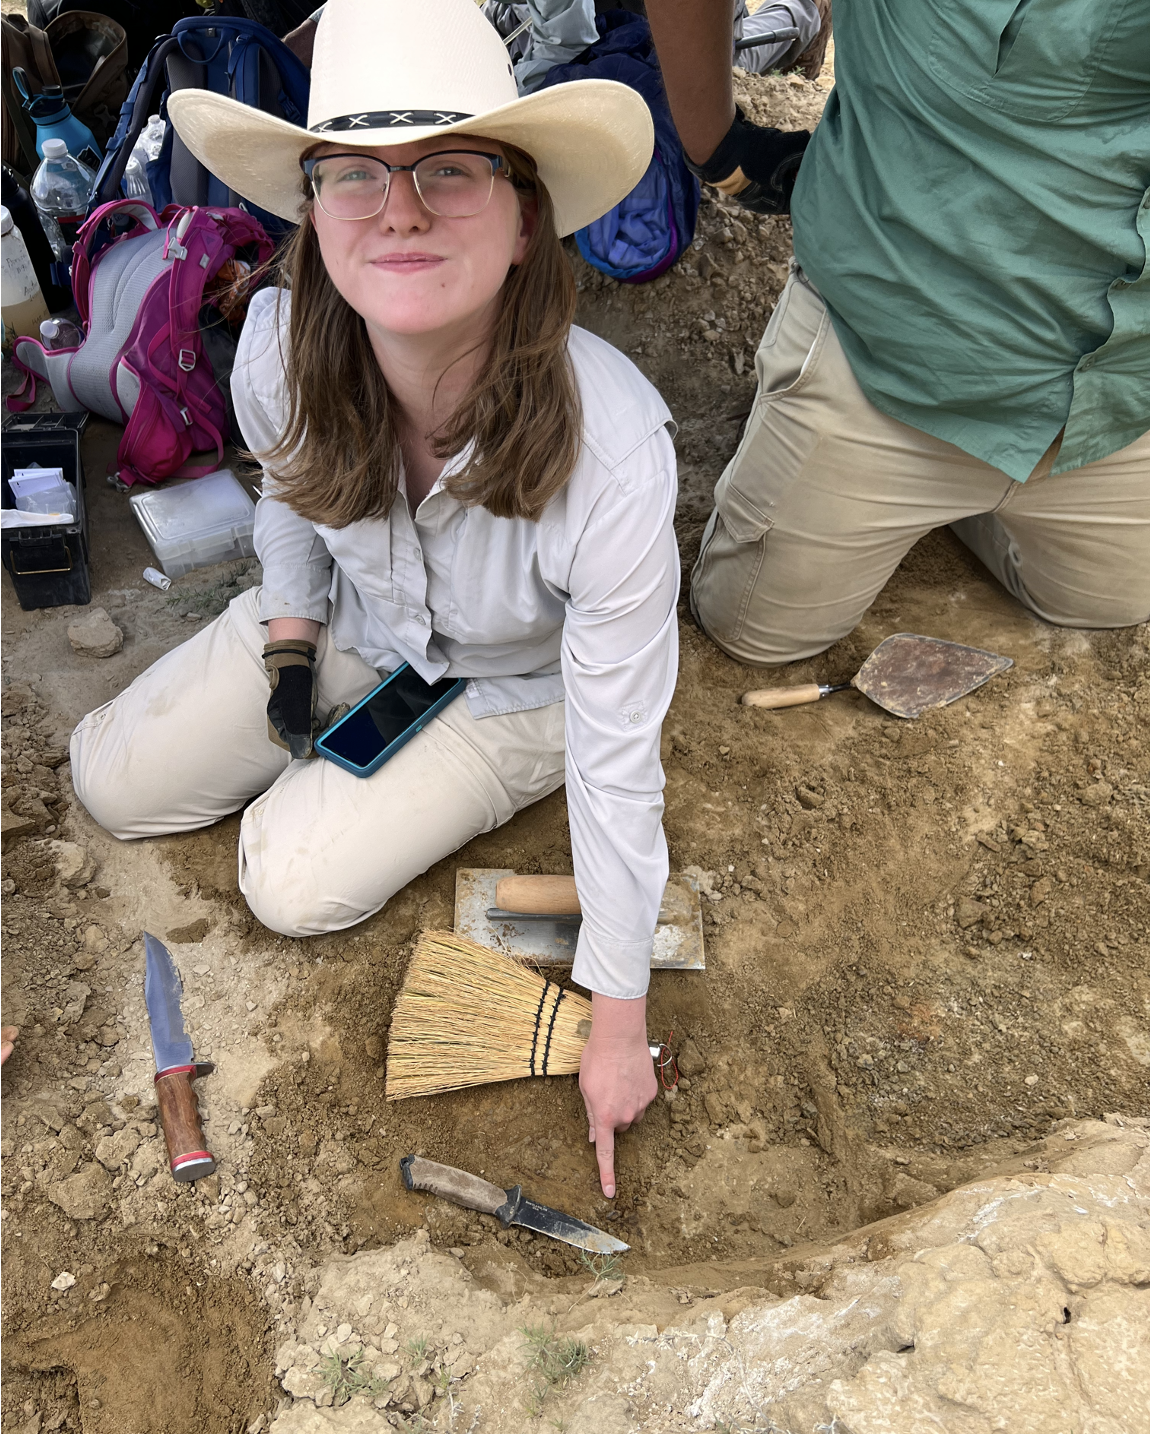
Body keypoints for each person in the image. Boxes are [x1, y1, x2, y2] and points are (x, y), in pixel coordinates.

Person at [70, 0, 680, 1199]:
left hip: (522, 682)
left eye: (451, 171)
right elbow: (294, 502)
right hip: (357, 613)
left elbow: (622, 759)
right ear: (313, 213)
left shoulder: (614, 452)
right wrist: (291, 637)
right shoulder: (280, 344)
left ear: (522, 220)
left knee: (288, 880)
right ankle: (335, 696)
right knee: (108, 778)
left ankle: (441, 755)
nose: (398, 209)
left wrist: (616, 1020)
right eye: (355, 175)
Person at [644, 0, 1150, 664]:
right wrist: (712, 142)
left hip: (1118, 390)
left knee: (1102, 606)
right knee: (752, 632)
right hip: (881, 351)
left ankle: (972, 492)